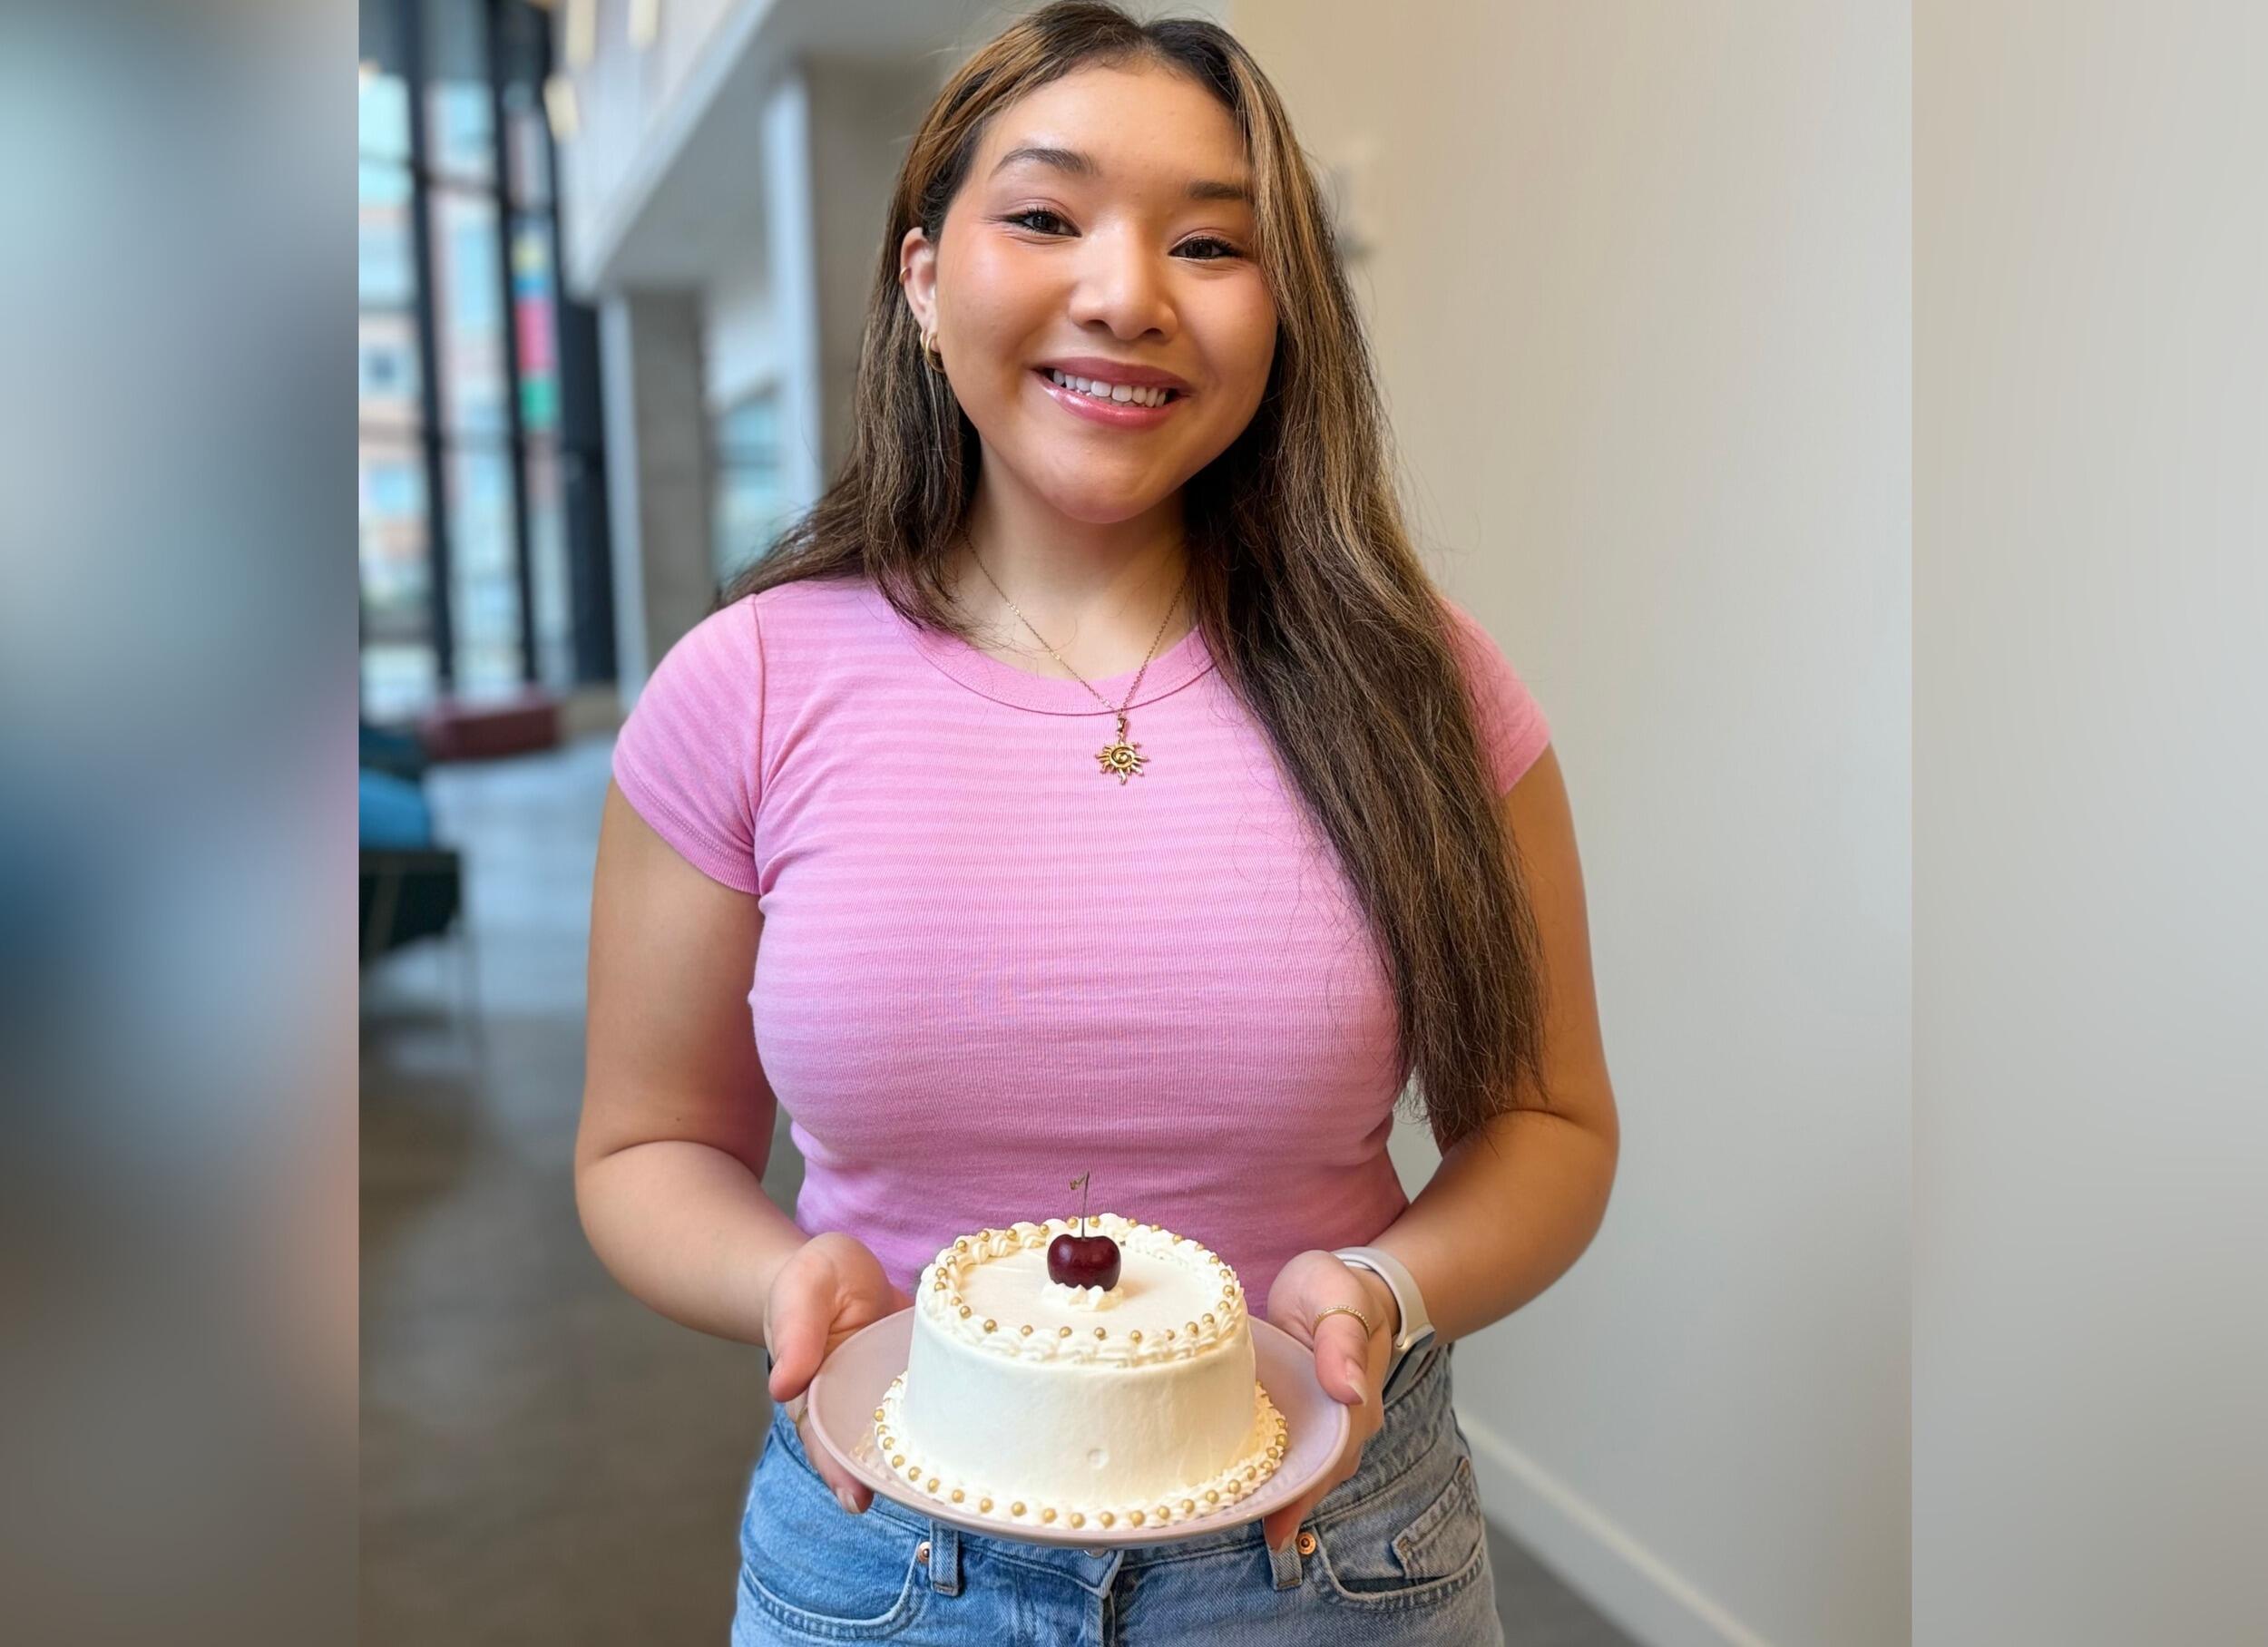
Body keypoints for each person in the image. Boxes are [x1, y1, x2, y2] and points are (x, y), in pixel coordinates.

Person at [575, 5, 1618, 1641]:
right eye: (1046, 217)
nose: (1126, 294)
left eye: (1212, 241)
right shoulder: (747, 686)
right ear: (924, 279)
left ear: (1285, 313)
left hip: (1330, 1560)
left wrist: (1390, 1289)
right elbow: (647, 1148)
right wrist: (783, 1281)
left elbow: (1550, 1126)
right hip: (886, 1561)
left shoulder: (1425, 686)